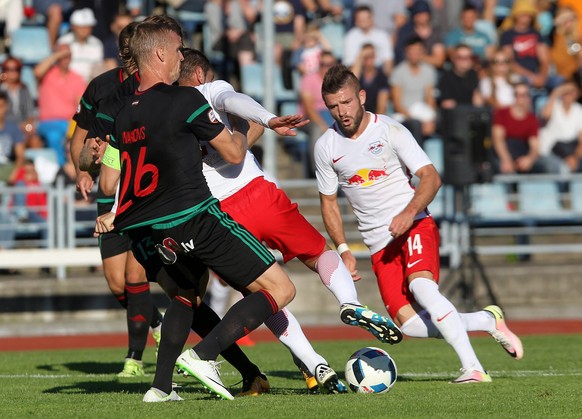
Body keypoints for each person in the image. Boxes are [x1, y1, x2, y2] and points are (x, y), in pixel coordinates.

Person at [95, 18, 299, 403]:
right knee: (281, 288)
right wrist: (250, 125)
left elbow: (117, 179)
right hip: (193, 217)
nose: (180, 57)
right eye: (176, 49)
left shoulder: (123, 116)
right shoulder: (185, 99)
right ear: (158, 53)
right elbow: (235, 152)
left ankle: (161, 387)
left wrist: (114, 213)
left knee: (186, 295)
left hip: (144, 230)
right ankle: (204, 356)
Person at [314, 64, 524, 384]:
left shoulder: (390, 130)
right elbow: (328, 202)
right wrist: (343, 248)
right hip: (378, 244)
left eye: (346, 102)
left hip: (415, 225)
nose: (341, 111)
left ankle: (473, 367)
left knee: (422, 287)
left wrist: (408, 213)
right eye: (333, 106)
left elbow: (431, 177)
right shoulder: (326, 146)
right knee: (408, 325)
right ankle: (485, 320)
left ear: (362, 96)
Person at [70, 19, 165, 379]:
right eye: (126, 55)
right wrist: (82, 168)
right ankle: (156, 321)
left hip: (142, 195)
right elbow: (81, 143)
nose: (130, 63)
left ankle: (135, 359)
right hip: (109, 196)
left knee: (134, 274)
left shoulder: (159, 90)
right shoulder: (104, 92)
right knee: (116, 283)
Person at [34, 43, 86, 166]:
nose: (65, 58)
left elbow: (80, 104)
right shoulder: (47, 74)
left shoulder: (76, 78)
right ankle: (62, 167)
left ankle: (78, 167)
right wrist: (57, 54)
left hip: (69, 122)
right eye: (62, 55)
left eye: (68, 55)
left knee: (80, 135)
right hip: (48, 122)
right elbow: (37, 71)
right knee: (54, 136)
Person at [390, 35, 438, 144]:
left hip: (422, 112)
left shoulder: (428, 71)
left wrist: (429, 119)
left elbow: (430, 98)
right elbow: (397, 104)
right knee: (415, 125)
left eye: (418, 50)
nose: (415, 54)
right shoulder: (398, 72)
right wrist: (418, 120)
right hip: (405, 115)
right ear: (406, 52)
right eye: (412, 51)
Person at [491, 82, 544, 174]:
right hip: (503, 153)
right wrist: (507, 161)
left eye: (524, 95)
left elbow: (535, 146)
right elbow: (498, 140)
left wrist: (529, 159)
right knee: (502, 168)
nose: (521, 98)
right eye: (517, 95)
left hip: (521, 153)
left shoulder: (532, 119)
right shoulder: (501, 114)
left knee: (545, 166)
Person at [538, 80, 582, 174]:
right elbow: (545, 115)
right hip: (549, 152)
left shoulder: (578, 109)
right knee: (560, 168)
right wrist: (556, 93)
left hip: (570, 152)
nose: (569, 94)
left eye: (572, 92)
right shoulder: (553, 105)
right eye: (566, 92)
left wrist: (575, 157)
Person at [342, 5, 394, 76]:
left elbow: (388, 60)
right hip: (359, 72)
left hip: (379, 72)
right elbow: (349, 64)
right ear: (356, 20)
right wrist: (362, 55)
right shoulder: (350, 37)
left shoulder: (382, 36)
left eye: (366, 18)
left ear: (372, 18)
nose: (363, 21)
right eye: (361, 18)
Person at [57, 8, 105, 83]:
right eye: (81, 26)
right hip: (68, 82)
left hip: (89, 84)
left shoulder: (97, 44)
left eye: (87, 26)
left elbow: (97, 68)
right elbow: (61, 67)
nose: (84, 30)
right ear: (73, 27)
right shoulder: (63, 42)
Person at [437, 44, 484, 110]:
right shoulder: (446, 79)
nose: (466, 60)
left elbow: (479, 104)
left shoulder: (476, 75)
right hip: (455, 116)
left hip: (474, 115)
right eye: (461, 57)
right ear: (453, 59)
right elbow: (448, 105)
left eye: (469, 57)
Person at [351, 43, 390, 115]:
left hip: (375, 116)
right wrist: (360, 57)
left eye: (371, 56)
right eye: (366, 57)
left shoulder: (381, 77)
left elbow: (382, 106)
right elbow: (350, 83)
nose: (369, 60)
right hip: (358, 115)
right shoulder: (358, 74)